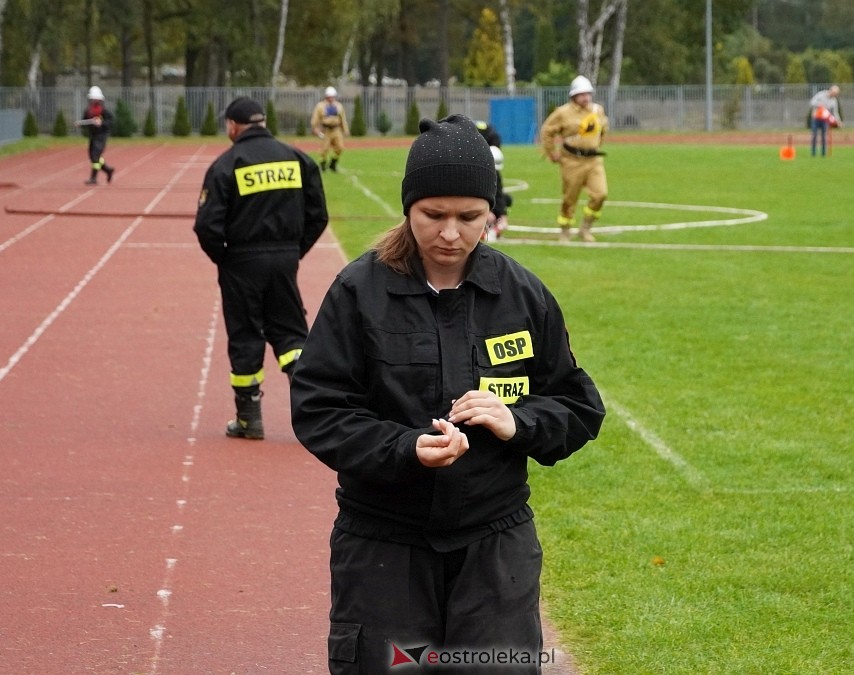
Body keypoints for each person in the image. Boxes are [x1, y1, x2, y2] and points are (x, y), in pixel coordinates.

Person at [289, 115, 605, 674]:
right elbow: (319, 409)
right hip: (384, 545)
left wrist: (518, 422)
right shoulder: (359, 293)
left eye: (470, 217)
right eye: (433, 215)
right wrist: (404, 447)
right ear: (408, 208)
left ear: (492, 213)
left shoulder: (522, 294)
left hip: (494, 545)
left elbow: (577, 405)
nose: (451, 234)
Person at [193, 97, 329, 439]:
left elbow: (207, 226)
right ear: (264, 122)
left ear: (233, 126)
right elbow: (319, 215)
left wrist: (225, 259)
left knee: (245, 335)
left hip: (241, 262)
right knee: (292, 335)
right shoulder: (299, 159)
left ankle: (249, 419)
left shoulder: (226, 165)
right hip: (284, 260)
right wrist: (294, 252)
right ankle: (311, 418)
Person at [539, 75, 609, 243]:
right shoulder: (563, 113)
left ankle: (585, 228)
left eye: (588, 94)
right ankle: (565, 230)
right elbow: (547, 130)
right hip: (571, 160)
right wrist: (551, 152)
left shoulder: (597, 110)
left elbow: (603, 128)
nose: (586, 97)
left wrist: (596, 144)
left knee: (601, 194)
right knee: (570, 198)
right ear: (574, 96)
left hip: (593, 160)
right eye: (582, 94)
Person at [475, 119, 512, 240]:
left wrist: (502, 216)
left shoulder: (496, 174)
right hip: (470, 207)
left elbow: (499, 195)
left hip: (483, 208)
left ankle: (489, 228)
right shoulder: (471, 176)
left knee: (507, 200)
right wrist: (484, 212)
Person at [80, 86, 117, 185]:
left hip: (101, 136)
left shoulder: (104, 111)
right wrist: (81, 124)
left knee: (95, 156)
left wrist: (102, 123)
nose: (93, 101)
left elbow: (110, 122)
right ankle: (108, 170)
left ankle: (93, 178)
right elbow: (85, 120)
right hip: (93, 136)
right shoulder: (88, 111)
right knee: (93, 157)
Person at [310, 86, 349, 172]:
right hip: (326, 130)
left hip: (336, 129)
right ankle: (323, 164)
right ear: (326, 96)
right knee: (324, 149)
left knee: (340, 147)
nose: (331, 98)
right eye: (329, 97)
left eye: (332, 96)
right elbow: (315, 118)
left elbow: (342, 119)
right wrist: (315, 128)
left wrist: (345, 130)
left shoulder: (339, 106)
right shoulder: (320, 106)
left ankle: (333, 163)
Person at [808, 85, 842, 157]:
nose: (835, 95)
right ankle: (813, 153)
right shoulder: (821, 94)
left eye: (836, 94)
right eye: (834, 93)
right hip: (816, 118)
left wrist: (838, 120)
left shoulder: (834, 100)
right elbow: (812, 102)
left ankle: (823, 153)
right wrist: (819, 105)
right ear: (830, 90)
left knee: (824, 136)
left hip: (825, 120)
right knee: (814, 135)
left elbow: (835, 112)